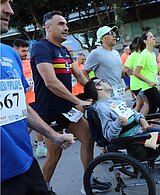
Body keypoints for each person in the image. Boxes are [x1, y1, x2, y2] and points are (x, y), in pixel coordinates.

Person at [30, 11, 108, 194]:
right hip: (50, 111)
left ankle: (88, 181)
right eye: (60, 24)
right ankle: (43, 189)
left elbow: (80, 75)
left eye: (66, 24)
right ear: (48, 27)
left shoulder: (64, 50)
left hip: (67, 109)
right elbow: (51, 82)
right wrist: (78, 100)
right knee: (54, 154)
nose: (66, 28)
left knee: (88, 137)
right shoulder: (42, 48)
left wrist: (98, 89)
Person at [1, 2, 75, 195]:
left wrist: (54, 136)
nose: (10, 10)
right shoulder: (41, 49)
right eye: (1, 2)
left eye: (9, 3)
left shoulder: (10, 54)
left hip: (26, 162)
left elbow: (21, 106)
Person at [84, 78, 160, 185]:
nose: (106, 82)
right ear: (98, 87)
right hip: (131, 138)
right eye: (102, 81)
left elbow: (133, 113)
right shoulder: (102, 108)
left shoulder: (115, 100)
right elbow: (109, 135)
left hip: (138, 131)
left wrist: (142, 120)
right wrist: (118, 122)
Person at [13, 39, 48, 158]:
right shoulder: (12, 64)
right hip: (20, 102)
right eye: (23, 51)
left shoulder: (29, 61)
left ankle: (40, 147)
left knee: (38, 121)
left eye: (27, 51)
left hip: (34, 98)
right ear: (15, 49)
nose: (25, 53)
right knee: (27, 126)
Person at [134, 32, 160, 118]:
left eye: (153, 36)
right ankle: (145, 124)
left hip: (154, 85)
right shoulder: (143, 55)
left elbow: (155, 70)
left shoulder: (152, 54)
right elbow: (136, 72)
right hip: (148, 87)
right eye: (150, 37)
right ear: (145, 41)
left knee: (152, 109)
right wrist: (149, 81)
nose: (153, 38)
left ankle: (146, 126)